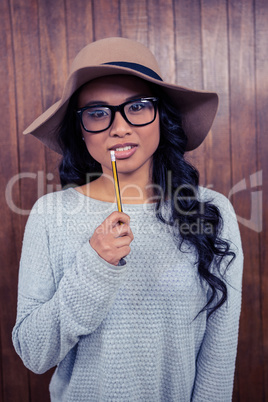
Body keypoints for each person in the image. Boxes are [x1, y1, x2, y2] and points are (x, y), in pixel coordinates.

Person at [12, 37, 243, 401]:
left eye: (137, 106)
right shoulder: (49, 215)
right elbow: (33, 354)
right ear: (81, 129)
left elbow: (218, 354)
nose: (119, 127)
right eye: (98, 113)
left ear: (162, 117)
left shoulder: (212, 212)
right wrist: (94, 264)